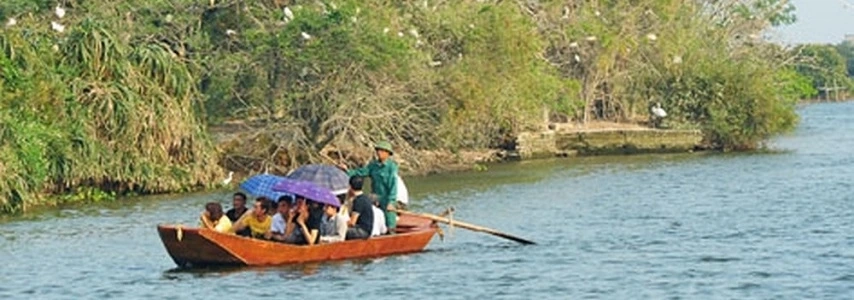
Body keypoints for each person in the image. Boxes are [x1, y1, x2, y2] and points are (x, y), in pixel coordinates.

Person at [341, 141, 398, 232]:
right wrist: (347, 171)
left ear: (387, 153)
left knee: (390, 222)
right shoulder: (373, 165)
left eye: (382, 151)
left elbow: (393, 186)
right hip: (375, 197)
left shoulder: (391, 167)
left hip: (387, 198)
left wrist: (391, 201)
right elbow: (361, 172)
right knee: (373, 218)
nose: (379, 153)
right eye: (378, 150)